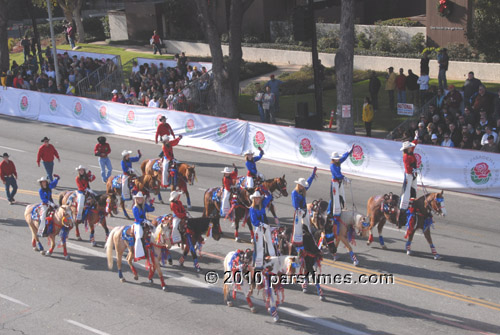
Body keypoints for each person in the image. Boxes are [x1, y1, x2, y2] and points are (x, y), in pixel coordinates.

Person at [249, 190, 275, 269]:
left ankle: (273, 258)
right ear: (253, 199)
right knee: (259, 245)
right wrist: (263, 225)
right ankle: (258, 264)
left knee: (270, 242)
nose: (257, 199)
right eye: (256, 198)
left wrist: (263, 190)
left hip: (266, 226)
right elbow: (254, 221)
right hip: (259, 228)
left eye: (258, 198)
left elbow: (269, 196)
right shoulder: (252, 208)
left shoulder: (262, 205)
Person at [291, 167, 317, 247]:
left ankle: (310, 240)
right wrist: (298, 209)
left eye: (303, 185)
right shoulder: (294, 192)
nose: (302, 187)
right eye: (301, 185)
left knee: (308, 225)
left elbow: (309, 182)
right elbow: (295, 203)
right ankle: (296, 242)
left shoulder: (304, 190)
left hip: (305, 210)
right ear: (298, 185)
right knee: (297, 227)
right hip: (299, 211)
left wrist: (313, 174)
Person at [328, 146, 354, 219]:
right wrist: (344, 178)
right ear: (333, 159)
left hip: (339, 182)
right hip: (335, 183)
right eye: (336, 159)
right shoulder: (332, 165)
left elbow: (344, 157)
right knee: (334, 197)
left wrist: (349, 152)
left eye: (337, 158)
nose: (338, 160)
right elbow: (337, 174)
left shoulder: (338, 162)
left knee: (341, 194)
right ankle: (331, 212)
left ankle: (342, 207)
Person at [398, 140, 418, 228]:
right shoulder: (406, 156)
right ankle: (403, 207)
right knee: (406, 191)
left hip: (413, 174)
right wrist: (413, 171)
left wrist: (416, 138)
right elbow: (407, 168)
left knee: (414, 188)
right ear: (407, 148)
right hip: (409, 174)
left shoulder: (411, 152)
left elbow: (414, 145)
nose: (411, 147)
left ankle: (413, 201)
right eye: (409, 147)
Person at [132, 191, 155, 261]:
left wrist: (151, 204)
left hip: (145, 222)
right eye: (138, 198)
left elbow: (151, 209)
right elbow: (138, 218)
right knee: (139, 236)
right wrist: (144, 221)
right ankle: (138, 254)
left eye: (141, 198)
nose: (140, 200)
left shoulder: (144, 205)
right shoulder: (135, 207)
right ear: (136, 199)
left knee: (154, 229)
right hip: (138, 223)